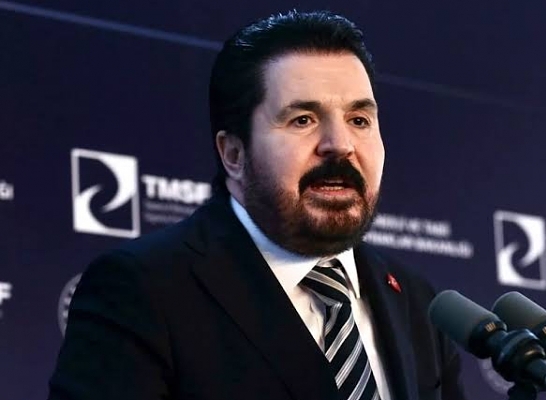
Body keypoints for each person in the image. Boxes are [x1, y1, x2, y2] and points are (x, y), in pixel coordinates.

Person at [48, 10, 466, 400]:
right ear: (234, 154)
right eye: (303, 120)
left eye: (359, 120)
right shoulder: (143, 290)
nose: (340, 145)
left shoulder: (416, 301)